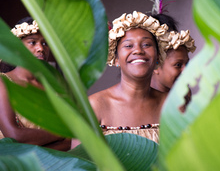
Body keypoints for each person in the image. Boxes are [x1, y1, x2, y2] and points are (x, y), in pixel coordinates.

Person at [71, 11, 170, 148]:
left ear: (158, 56)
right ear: (116, 58)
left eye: (146, 44)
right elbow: (78, 163)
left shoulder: (172, 105)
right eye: (128, 46)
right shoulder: (93, 106)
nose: (138, 51)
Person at [0, 17, 71, 151]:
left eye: (45, 43)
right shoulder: (3, 82)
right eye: (32, 42)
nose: (40, 49)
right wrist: (61, 133)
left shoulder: (55, 87)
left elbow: (69, 142)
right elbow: (14, 136)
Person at [150, 14, 196, 112]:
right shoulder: (141, 103)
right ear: (156, 65)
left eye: (187, 64)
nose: (185, 71)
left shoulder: (184, 97)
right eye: (178, 65)